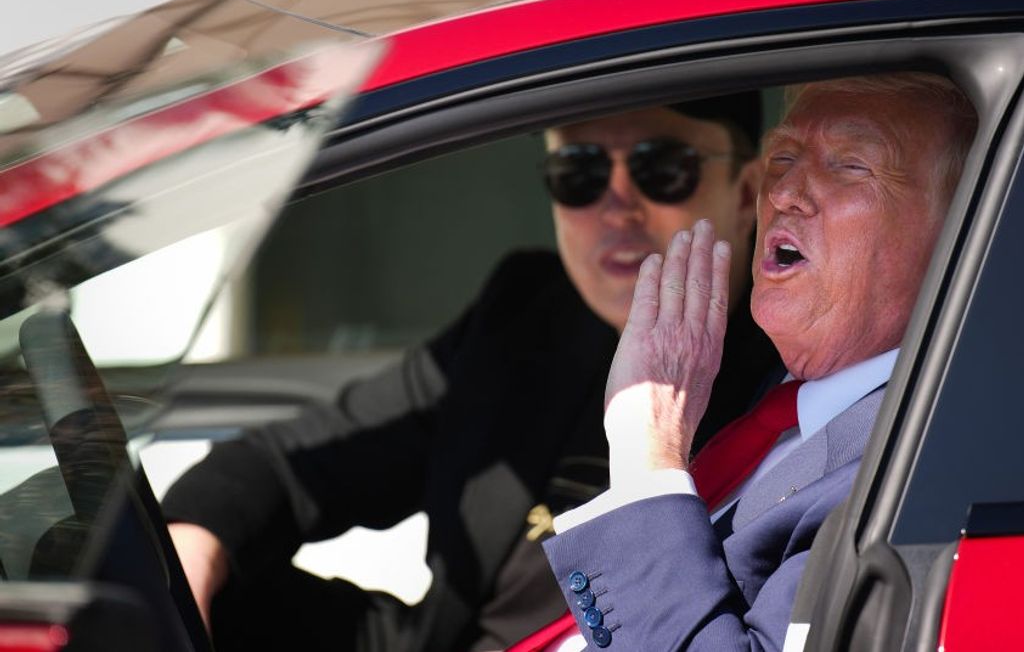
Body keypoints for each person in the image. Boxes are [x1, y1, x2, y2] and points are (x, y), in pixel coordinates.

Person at [160, 94, 782, 651]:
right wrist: (191, 545)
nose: (617, 205)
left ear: (747, 190)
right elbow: (294, 463)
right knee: (150, 584)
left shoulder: (793, 376)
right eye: (579, 172)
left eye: (661, 167)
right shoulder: (526, 315)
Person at [538, 72, 977, 650]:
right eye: (783, 158)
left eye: (849, 165)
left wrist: (647, 454)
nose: (783, 194)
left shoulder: (916, 466)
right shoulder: (774, 396)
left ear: (960, 228)